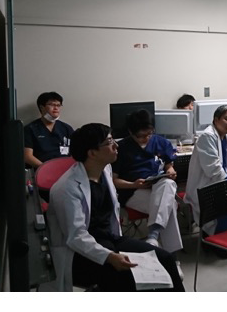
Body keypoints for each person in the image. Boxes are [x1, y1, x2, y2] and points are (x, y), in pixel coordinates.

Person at [48, 123, 184, 291]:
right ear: (92, 153)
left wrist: (113, 253)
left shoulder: (105, 170)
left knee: (165, 259)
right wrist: (110, 256)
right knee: (134, 278)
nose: (116, 146)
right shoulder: (67, 188)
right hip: (81, 252)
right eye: (109, 142)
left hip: (110, 239)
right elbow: (76, 237)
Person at [111, 109, 183, 254]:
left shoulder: (161, 142)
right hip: (133, 192)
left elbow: (169, 165)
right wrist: (133, 184)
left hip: (159, 187)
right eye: (141, 136)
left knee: (168, 184)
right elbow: (113, 180)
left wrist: (170, 170)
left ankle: (153, 239)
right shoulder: (121, 148)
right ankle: (171, 257)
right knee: (169, 205)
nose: (146, 138)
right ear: (130, 132)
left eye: (149, 134)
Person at [185, 105, 227, 246]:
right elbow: (214, 169)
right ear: (216, 120)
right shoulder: (207, 136)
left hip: (219, 183)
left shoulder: (224, 135)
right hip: (205, 188)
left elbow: (226, 163)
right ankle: (216, 241)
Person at [24, 91, 74, 168]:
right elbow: (27, 156)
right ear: (42, 107)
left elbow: (76, 152)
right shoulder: (30, 129)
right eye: (52, 105)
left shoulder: (67, 128)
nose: (56, 108)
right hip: (42, 170)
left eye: (58, 105)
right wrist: (47, 169)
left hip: (66, 170)